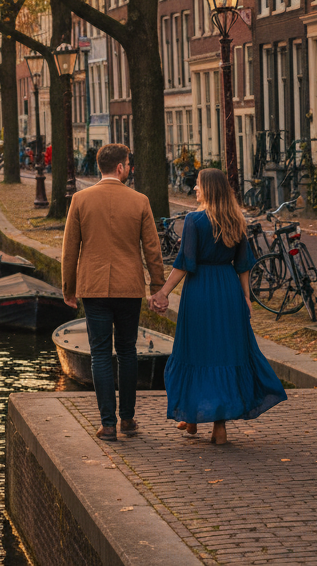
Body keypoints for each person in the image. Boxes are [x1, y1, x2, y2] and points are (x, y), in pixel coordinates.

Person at [150, 168, 286, 445]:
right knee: (223, 354)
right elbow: (244, 263)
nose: (195, 190)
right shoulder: (237, 221)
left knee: (195, 351)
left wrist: (162, 292)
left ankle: (190, 414)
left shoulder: (194, 220)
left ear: (208, 189)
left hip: (199, 292)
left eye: (198, 186)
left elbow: (185, 264)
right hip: (228, 290)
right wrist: (245, 296)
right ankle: (218, 427)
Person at [62, 143, 165, 441]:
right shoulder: (140, 201)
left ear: (100, 167)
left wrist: (69, 289)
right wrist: (157, 287)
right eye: (129, 164)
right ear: (120, 168)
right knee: (128, 351)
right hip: (129, 287)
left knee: (100, 354)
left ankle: (107, 424)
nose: (130, 169)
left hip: (93, 288)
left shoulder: (80, 200)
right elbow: (152, 250)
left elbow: (70, 251)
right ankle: (128, 420)